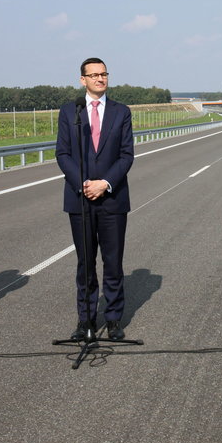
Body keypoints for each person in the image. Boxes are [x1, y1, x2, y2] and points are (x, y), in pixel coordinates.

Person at [56, 57, 134, 341]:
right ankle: (85, 321)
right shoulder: (70, 112)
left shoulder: (121, 112)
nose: (100, 79)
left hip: (113, 199)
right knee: (85, 264)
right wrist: (83, 184)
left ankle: (113, 320)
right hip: (80, 200)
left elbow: (126, 155)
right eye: (94, 75)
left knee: (113, 263)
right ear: (82, 80)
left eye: (103, 74)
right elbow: (62, 154)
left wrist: (105, 184)